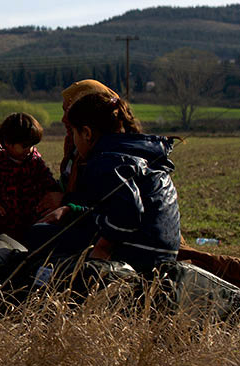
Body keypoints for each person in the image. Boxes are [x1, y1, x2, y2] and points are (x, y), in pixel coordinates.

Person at [36, 93, 181, 274]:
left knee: (39, 235)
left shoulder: (107, 160)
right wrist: (72, 211)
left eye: (74, 132)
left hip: (137, 254)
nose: (73, 139)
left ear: (87, 133)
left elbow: (128, 214)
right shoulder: (137, 153)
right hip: (162, 254)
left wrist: (101, 250)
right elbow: (114, 210)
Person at [0, 112, 59, 239]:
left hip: (31, 220)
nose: (29, 150)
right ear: (8, 143)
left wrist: (55, 193)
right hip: (2, 223)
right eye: (24, 146)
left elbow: (47, 180)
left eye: (32, 145)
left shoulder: (35, 162)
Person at [58, 79, 119, 192]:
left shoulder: (107, 161)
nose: (63, 119)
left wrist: (63, 199)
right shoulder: (75, 148)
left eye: (68, 111)